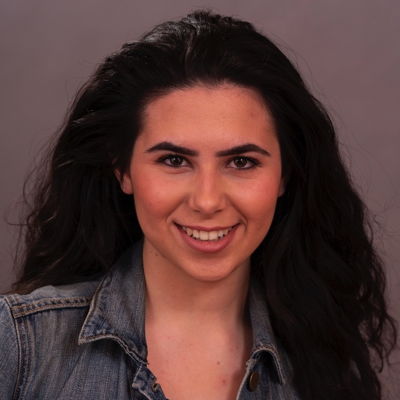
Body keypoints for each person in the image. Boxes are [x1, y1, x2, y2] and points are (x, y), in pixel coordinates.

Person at [0, 9, 397, 400]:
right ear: (123, 170)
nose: (207, 201)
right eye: (174, 160)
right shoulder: (19, 348)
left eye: (242, 162)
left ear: (285, 176)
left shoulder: (325, 366)